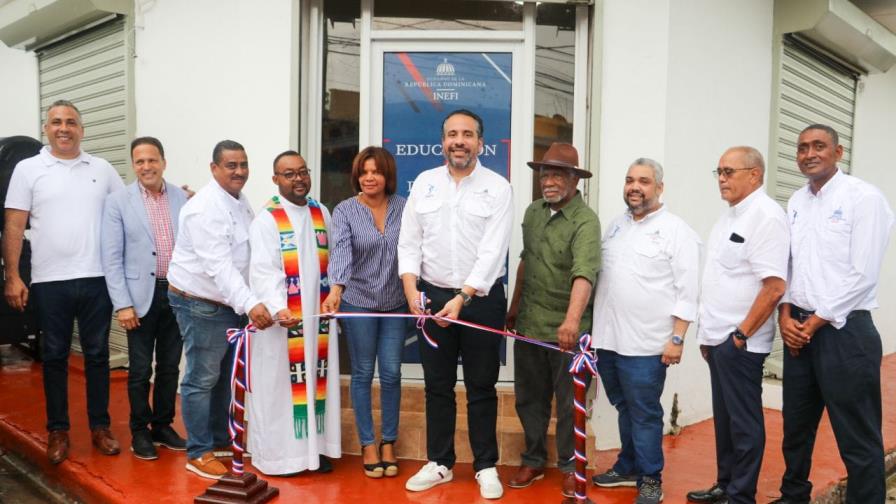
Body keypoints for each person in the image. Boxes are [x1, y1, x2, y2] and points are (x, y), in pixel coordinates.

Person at [769, 125, 893, 504]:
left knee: (857, 436)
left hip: (845, 333)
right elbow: (789, 265)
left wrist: (815, 322)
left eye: (819, 146)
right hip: (800, 330)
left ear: (838, 153)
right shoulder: (796, 201)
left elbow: (863, 273)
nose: (809, 153)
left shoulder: (864, 198)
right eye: (803, 147)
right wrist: (785, 316)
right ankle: (794, 497)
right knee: (796, 429)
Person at [398, 109, 513, 499]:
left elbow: (493, 252)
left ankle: (485, 466)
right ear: (443, 141)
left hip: (480, 300)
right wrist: (412, 291)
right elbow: (409, 243)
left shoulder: (497, 187)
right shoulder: (426, 184)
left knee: (481, 385)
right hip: (432, 297)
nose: (458, 141)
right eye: (452, 134)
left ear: (481, 143)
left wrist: (463, 297)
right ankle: (440, 463)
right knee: (437, 386)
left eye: (467, 134)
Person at [3, 99, 125, 464]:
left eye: (71, 122)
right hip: (49, 281)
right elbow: (13, 224)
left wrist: (172, 194)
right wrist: (13, 276)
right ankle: (58, 430)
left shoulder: (101, 169)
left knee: (98, 355)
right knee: (54, 356)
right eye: (56, 122)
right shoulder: (28, 169)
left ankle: (100, 427)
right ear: (46, 129)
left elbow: (126, 209)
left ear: (81, 129)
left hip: (96, 279)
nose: (64, 128)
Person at [591, 158, 700, 504]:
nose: (634, 187)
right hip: (609, 340)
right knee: (625, 406)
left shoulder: (676, 230)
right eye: (629, 180)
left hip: (648, 344)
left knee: (644, 412)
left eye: (644, 181)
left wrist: (678, 338)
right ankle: (628, 466)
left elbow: (688, 290)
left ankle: (650, 477)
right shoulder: (616, 226)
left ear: (659, 187)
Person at [167, 140, 274, 480]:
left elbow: (249, 255)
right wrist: (251, 303)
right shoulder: (204, 209)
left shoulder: (240, 202)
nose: (239, 171)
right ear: (214, 168)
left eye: (243, 164)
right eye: (231, 165)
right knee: (202, 378)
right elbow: (219, 267)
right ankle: (198, 452)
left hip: (229, 303)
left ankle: (218, 438)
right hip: (201, 303)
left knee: (223, 377)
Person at [687, 147, 788, 504]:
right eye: (718, 171)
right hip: (719, 339)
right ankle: (725, 485)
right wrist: (707, 335)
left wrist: (740, 334)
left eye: (729, 171)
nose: (722, 178)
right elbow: (719, 280)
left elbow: (774, 285)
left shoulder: (765, 216)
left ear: (755, 175)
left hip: (741, 343)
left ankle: (741, 495)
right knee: (726, 420)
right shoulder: (728, 217)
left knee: (744, 424)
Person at [504, 142, 600, 498]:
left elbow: (584, 274)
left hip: (566, 333)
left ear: (575, 179)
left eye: (559, 174)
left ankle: (570, 467)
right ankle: (532, 458)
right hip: (529, 325)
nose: (550, 180)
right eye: (546, 173)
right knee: (529, 398)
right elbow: (526, 261)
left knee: (567, 402)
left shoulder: (586, 221)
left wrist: (572, 321)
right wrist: (514, 307)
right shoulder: (532, 212)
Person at [247, 150, 340, 476]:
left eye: (303, 172)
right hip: (284, 323)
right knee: (280, 391)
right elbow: (262, 269)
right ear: (276, 180)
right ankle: (279, 457)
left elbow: (331, 263)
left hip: (316, 321)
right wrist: (278, 307)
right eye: (289, 174)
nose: (298, 179)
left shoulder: (321, 213)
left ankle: (314, 453)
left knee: (317, 382)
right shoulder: (267, 219)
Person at [101, 136, 188, 460]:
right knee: (139, 369)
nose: (146, 166)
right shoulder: (118, 202)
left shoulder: (183, 197)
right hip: (138, 298)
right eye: (140, 161)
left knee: (169, 366)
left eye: (152, 160)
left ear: (163, 162)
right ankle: (140, 430)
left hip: (177, 294)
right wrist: (122, 304)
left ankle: (162, 426)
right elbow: (111, 258)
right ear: (133, 165)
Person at [321, 146, 406, 478]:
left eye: (377, 171)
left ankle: (389, 441)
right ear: (357, 175)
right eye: (364, 171)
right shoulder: (345, 210)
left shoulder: (404, 207)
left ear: (387, 176)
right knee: (362, 374)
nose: (370, 177)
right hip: (358, 301)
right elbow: (339, 251)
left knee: (392, 374)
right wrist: (337, 289)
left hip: (396, 302)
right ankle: (368, 443)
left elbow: (414, 250)